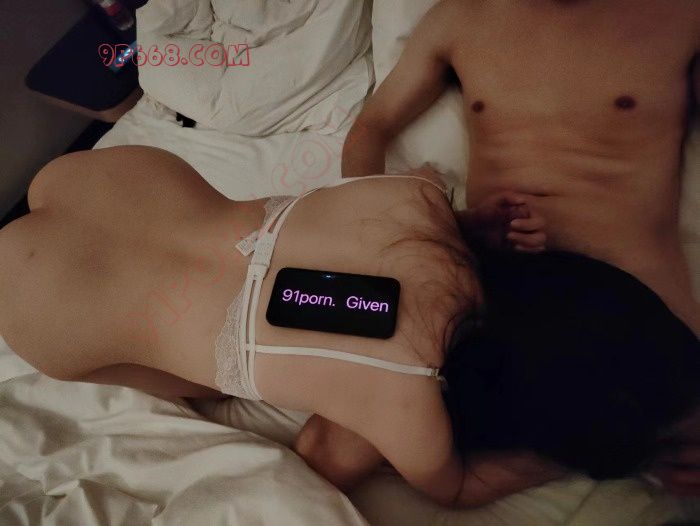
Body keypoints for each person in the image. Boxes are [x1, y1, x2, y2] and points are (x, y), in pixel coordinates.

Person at [1, 146, 698, 506]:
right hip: (45, 305)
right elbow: (455, 490)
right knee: (196, 384)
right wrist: (587, 457)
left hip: (109, 178)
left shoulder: (420, 197)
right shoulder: (411, 411)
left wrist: (466, 232)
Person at [341, 0, 700, 493]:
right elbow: (370, 128)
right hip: (495, 292)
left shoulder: (678, 18)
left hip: (639, 313)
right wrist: (382, 237)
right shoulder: (463, 18)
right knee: (341, 443)